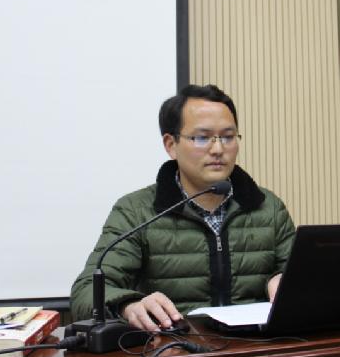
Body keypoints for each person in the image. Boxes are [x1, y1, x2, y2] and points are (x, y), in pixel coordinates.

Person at [69, 84, 295, 332]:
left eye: (228, 137)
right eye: (202, 137)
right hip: (174, 347)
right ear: (171, 145)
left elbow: (302, 278)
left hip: (255, 349)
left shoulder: (268, 207)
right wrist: (128, 305)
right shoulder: (136, 211)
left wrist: (285, 281)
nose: (218, 149)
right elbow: (86, 292)